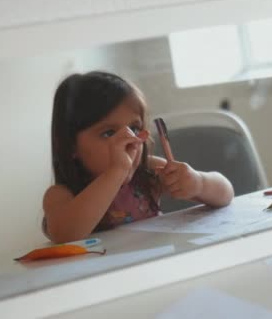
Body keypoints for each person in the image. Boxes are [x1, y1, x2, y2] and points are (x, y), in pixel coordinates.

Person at [42, 71, 234, 243]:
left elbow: (226, 193)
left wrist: (198, 183)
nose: (128, 140)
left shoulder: (147, 173)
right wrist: (116, 172)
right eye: (108, 133)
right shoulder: (61, 194)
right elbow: (66, 235)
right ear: (70, 147)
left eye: (134, 128)